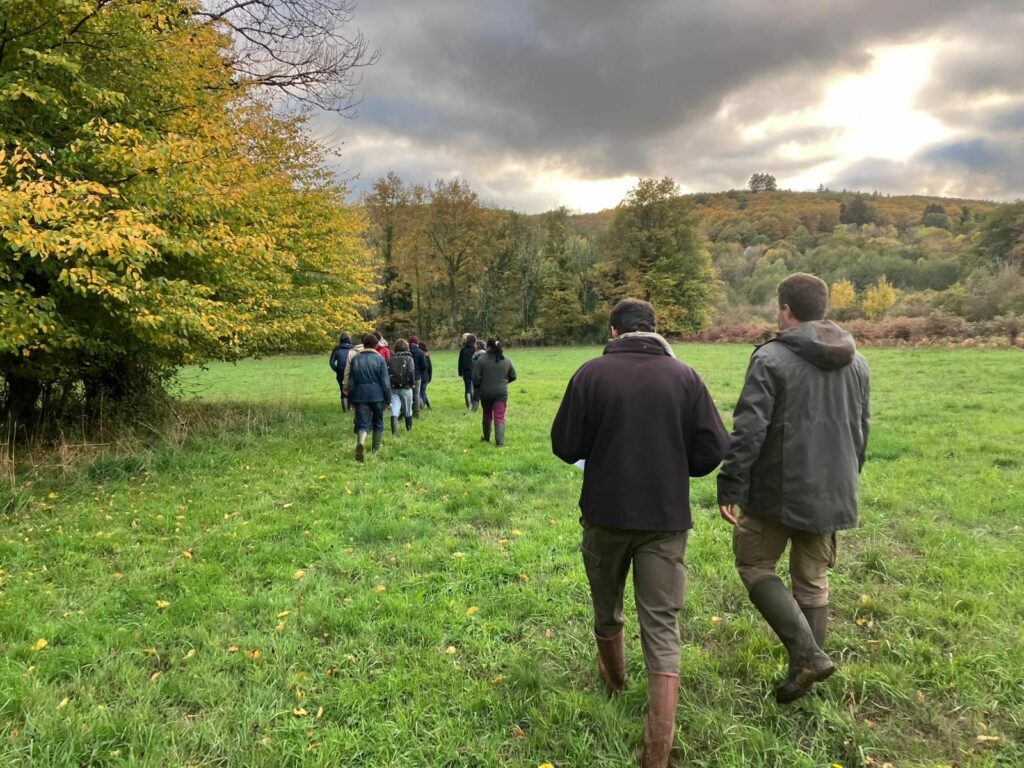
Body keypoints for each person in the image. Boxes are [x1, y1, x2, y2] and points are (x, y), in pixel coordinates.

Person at [550, 298, 729, 768]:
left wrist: (600, 450)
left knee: (606, 607)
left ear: (613, 331)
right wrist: (676, 465)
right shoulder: (686, 376)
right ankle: (656, 754)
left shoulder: (590, 374)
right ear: (655, 330)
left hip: (605, 514)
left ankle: (614, 683)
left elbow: (563, 445)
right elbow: (713, 448)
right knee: (662, 624)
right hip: (665, 518)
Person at [717, 272, 870, 704]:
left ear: (785, 309)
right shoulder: (857, 361)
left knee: (754, 565)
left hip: (774, 493)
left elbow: (749, 430)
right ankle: (804, 671)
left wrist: (731, 482)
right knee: (813, 580)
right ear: (822, 307)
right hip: (833, 489)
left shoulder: (770, 358)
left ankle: (806, 656)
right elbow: (862, 428)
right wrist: (846, 480)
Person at [343, 332, 392, 462]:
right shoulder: (380, 359)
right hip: (377, 396)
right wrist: (388, 400)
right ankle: (375, 450)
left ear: (364, 344)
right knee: (378, 423)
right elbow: (386, 382)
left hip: (360, 395)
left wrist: (351, 400)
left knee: (363, 424)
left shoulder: (355, 359)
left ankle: (361, 443)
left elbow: (351, 382)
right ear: (376, 345)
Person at [472, 339, 517, 447]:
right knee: (499, 416)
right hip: (501, 394)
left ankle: (486, 439)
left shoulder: (481, 360)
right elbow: (513, 376)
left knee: (487, 414)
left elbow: (475, 378)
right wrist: (504, 382)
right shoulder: (506, 360)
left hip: (485, 393)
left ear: (488, 347)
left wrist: (480, 386)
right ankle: (500, 443)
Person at [387, 339, 416, 434]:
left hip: (393, 387)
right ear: (406, 347)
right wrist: (412, 383)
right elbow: (411, 372)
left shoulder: (391, 359)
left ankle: (394, 432)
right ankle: (409, 430)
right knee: (408, 409)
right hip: (406, 387)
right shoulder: (409, 358)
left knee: (394, 410)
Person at [329, 333, 354, 412]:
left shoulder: (336, 349)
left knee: (342, 389)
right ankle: (350, 407)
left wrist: (336, 369)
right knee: (351, 389)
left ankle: (345, 410)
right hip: (351, 371)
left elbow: (331, 362)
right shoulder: (353, 348)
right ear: (349, 339)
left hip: (340, 371)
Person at [408, 336, 428, 416]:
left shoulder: (407, 351)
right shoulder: (420, 352)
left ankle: (405, 411)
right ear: (417, 343)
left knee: (407, 394)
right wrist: (420, 372)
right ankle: (416, 412)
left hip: (406, 377)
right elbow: (424, 366)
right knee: (416, 394)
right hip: (416, 376)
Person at [458, 333, 477, 412]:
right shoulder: (475, 350)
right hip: (475, 371)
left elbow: (460, 361)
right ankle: (474, 403)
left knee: (467, 388)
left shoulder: (463, 350)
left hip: (466, 371)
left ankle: (468, 404)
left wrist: (460, 371)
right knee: (474, 387)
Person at [470, 339, 486, 411]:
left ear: (479, 346)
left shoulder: (481, 354)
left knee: (477, 393)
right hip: (476, 374)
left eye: (475, 344)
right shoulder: (477, 353)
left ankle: (474, 409)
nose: (474, 345)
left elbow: (480, 365)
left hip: (480, 376)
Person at [419, 341, 433, 410]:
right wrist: (430, 377)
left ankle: (422, 406)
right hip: (426, 377)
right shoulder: (427, 356)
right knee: (423, 392)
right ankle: (428, 405)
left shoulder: (419, 356)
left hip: (421, 377)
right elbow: (430, 368)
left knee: (421, 392)